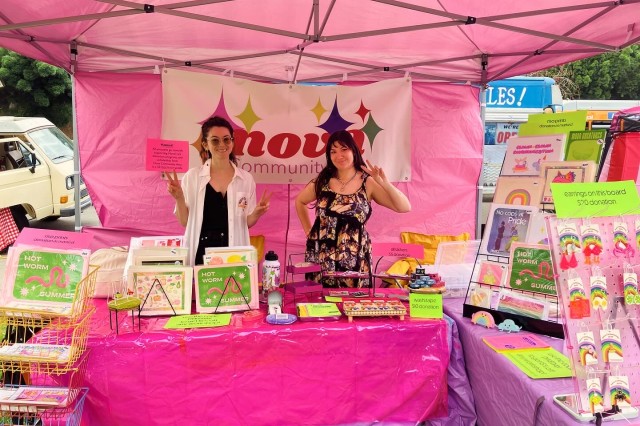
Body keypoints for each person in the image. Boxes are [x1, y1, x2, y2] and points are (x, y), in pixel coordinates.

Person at [295, 130, 411, 288]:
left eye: (344, 149)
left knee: (354, 305)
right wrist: (309, 232)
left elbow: (404, 207)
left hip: (354, 257)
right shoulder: (322, 181)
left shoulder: (367, 182)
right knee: (320, 303)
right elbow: (300, 201)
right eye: (333, 151)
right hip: (322, 256)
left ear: (354, 151)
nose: (339, 155)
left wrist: (384, 182)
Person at [166, 116, 270, 266]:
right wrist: (179, 198)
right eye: (215, 140)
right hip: (200, 253)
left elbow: (246, 223)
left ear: (232, 142)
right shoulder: (193, 177)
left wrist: (256, 213)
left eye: (227, 139)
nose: (222, 144)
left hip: (233, 255)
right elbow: (184, 222)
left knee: (233, 289)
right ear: (205, 144)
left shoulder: (245, 179)